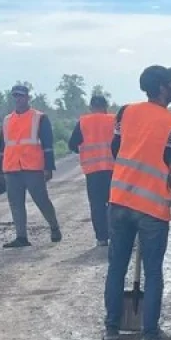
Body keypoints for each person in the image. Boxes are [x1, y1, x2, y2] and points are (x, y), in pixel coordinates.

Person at [102, 66, 171, 340]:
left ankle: (112, 329)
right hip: (151, 208)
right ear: (162, 88)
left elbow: (116, 150)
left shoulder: (125, 112)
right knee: (153, 272)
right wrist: (170, 178)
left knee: (116, 267)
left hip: (119, 201)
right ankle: (150, 334)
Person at [0, 83, 62, 248]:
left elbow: (48, 145)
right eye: (15, 96)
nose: (18, 99)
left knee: (41, 200)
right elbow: (2, 148)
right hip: (11, 168)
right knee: (16, 204)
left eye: (20, 95)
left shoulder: (40, 117)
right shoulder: (7, 120)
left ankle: (54, 226)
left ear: (27, 97)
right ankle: (21, 237)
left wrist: (48, 167)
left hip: (32, 167)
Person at [68, 92, 116, 245]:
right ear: (105, 107)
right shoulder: (114, 120)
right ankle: (116, 234)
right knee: (115, 203)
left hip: (92, 170)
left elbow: (72, 144)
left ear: (91, 107)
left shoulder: (83, 122)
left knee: (97, 204)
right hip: (113, 169)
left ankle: (101, 238)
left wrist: (83, 150)